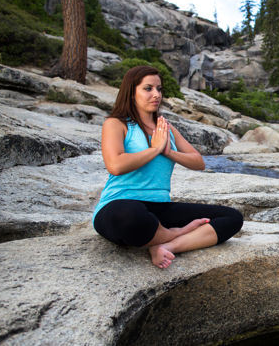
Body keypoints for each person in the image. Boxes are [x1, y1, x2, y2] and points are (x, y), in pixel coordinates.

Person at [92, 65, 243, 269]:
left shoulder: (166, 128)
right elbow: (115, 166)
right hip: (121, 204)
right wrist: (154, 150)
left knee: (232, 217)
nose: (156, 94)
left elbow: (198, 162)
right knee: (132, 216)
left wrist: (168, 151)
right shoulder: (117, 124)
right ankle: (175, 233)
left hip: (159, 207)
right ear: (131, 92)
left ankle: (168, 246)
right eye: (148, 88)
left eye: (159, 89)